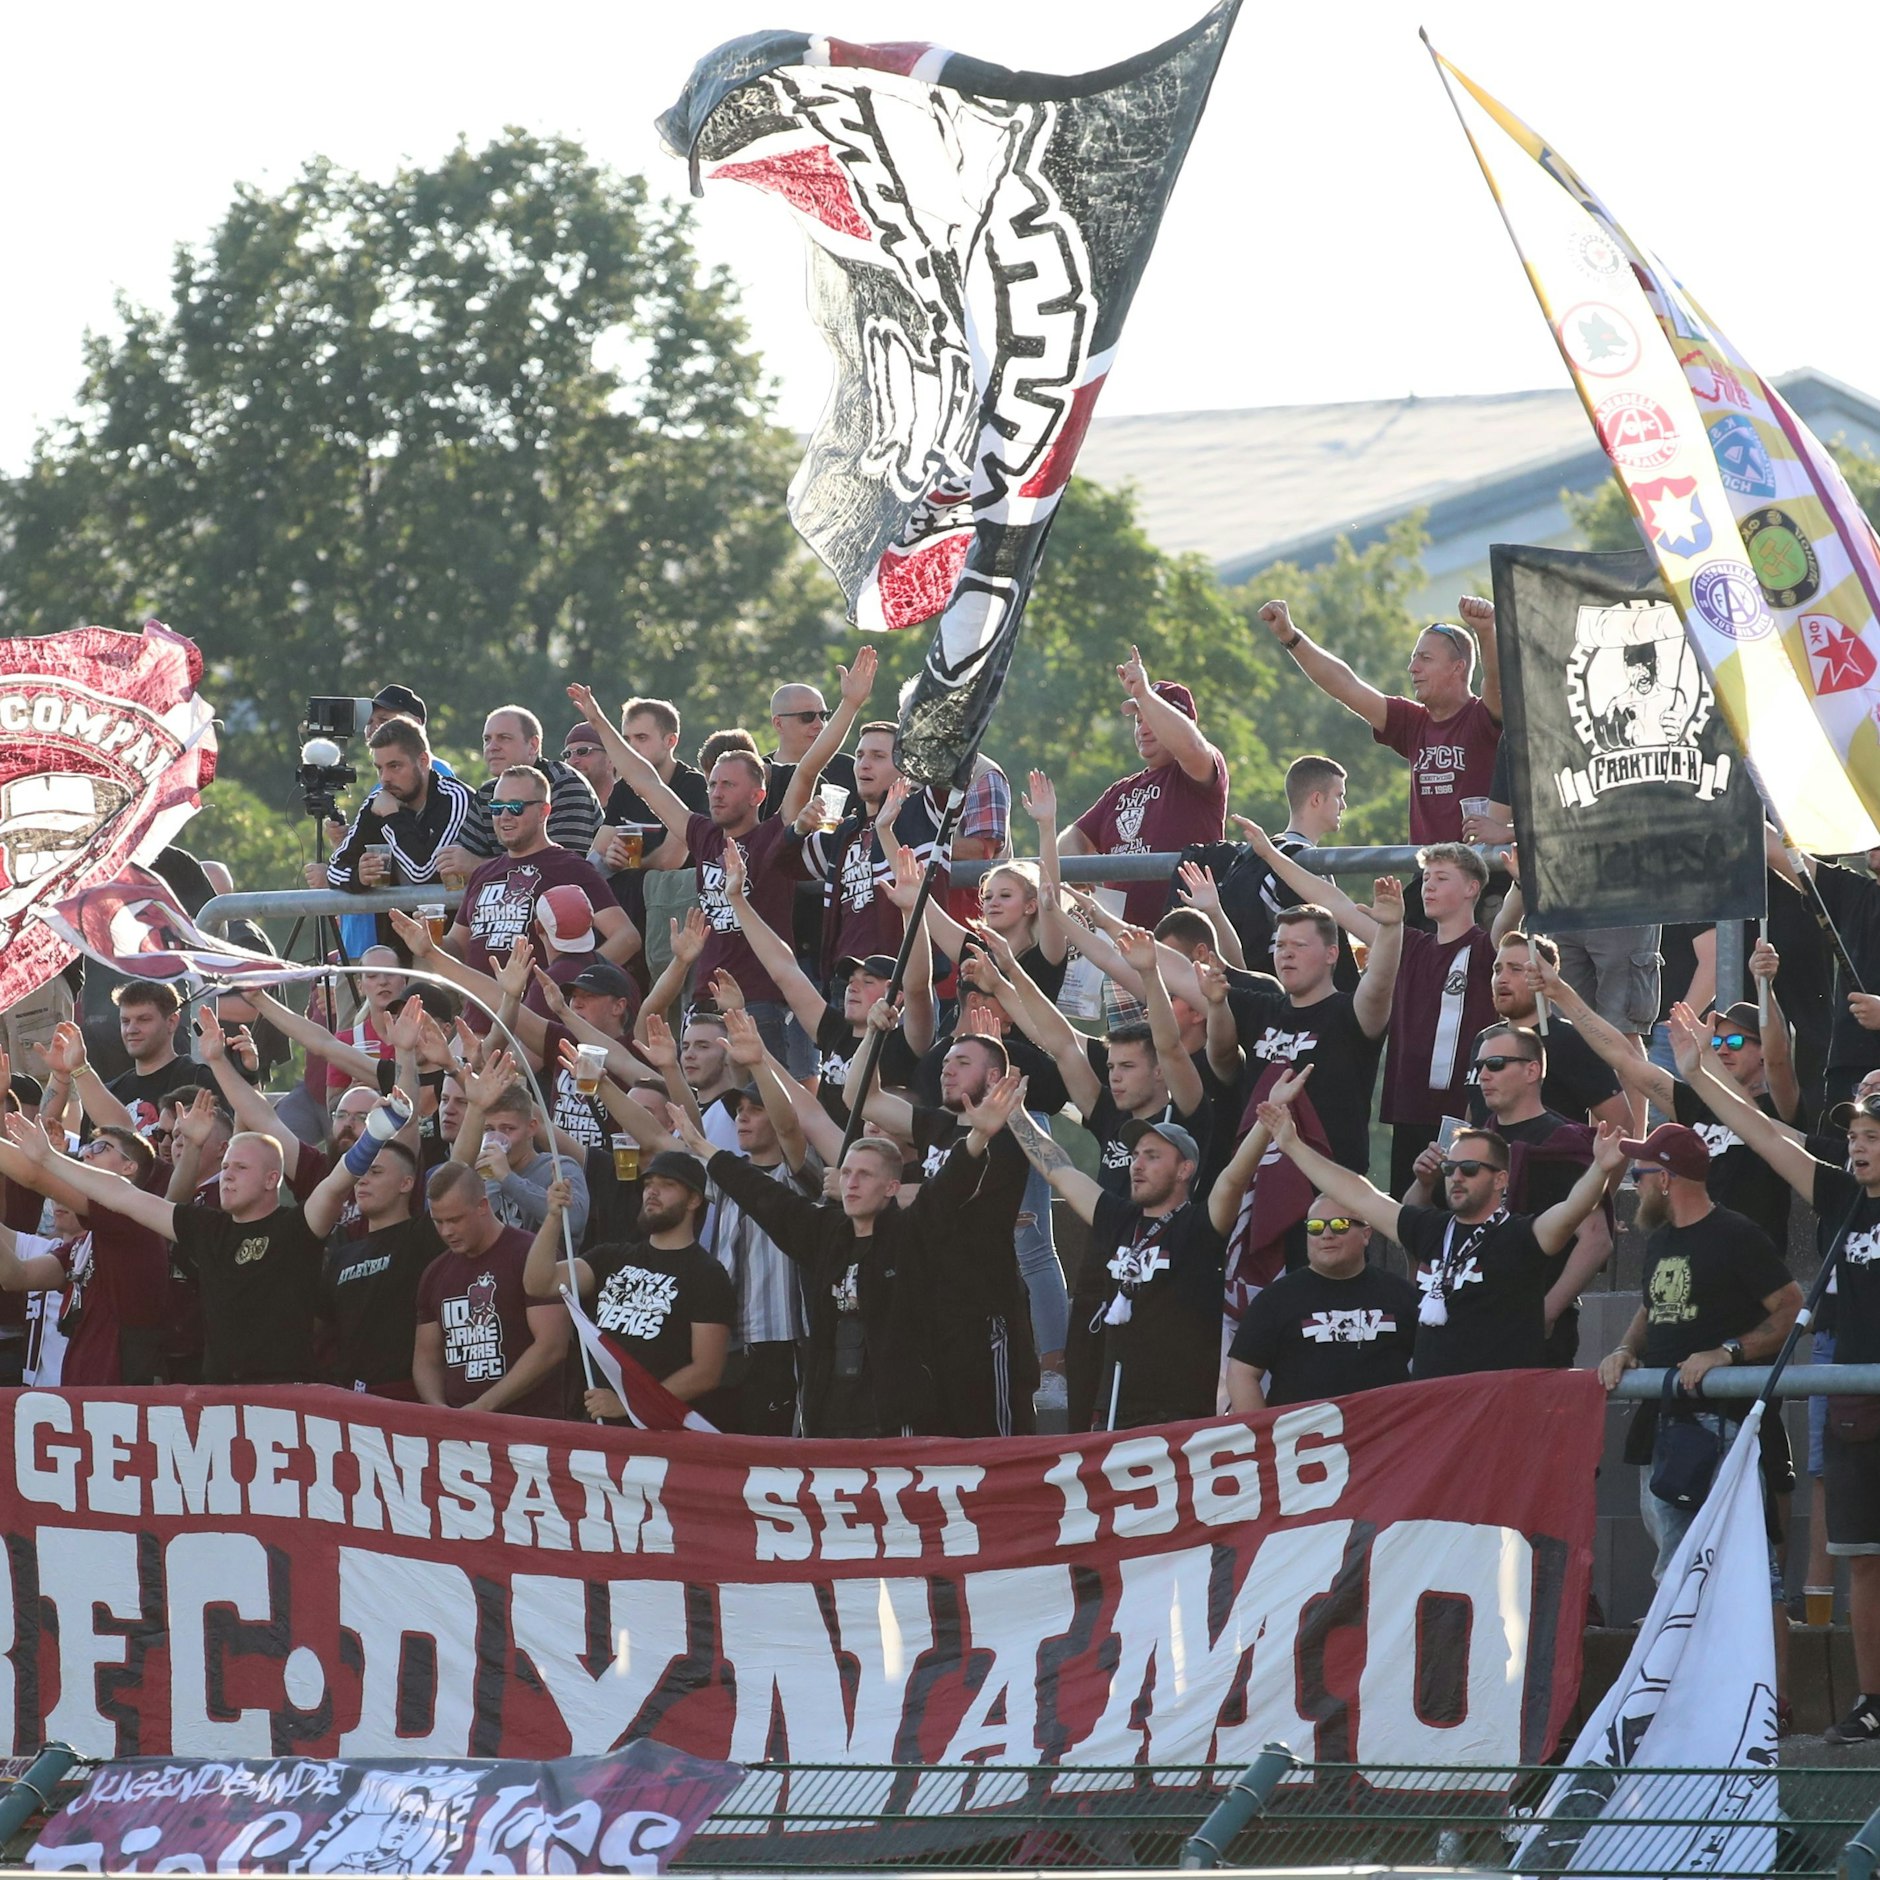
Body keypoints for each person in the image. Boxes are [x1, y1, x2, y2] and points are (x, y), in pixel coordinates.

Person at [677, 1070, 1033, 1438]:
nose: (851, 1183)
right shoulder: (826, 1233)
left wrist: (978, 1137)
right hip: (830, 1416)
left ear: (892, 1187)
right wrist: (704, 1148)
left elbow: (945, 1190)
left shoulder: (911, 1235)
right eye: (846, 1173)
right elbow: (765, 1197)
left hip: (893, 1417)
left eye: (864, 1175)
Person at [569, 651, 876, 1062]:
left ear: (757, 795)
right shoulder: (704, 836)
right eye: (712, 784)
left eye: (728, 785)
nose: (715, 793)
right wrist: (598, 721)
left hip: (761, 1004)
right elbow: (644, 781)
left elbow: (807, 769)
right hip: (703, 1002)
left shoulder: (773, 837)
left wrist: (850, 704)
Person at [1597, 1122, 1801, 1714]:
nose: (1635, 1185)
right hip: (1664, 1429)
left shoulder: (1736, 1235)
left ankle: (1771, 1706)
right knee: (1675, 1572)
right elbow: (1651, 1306)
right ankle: (1689, 1705)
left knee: (1751, 1570)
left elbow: (1791, 1308)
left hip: (1726, 1429)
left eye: (1640, 1174)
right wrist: (1625, 1348)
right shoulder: (1660, 1240)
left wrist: (1728, 1353)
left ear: (1667, 1178)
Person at [0, 1105, 380, 1386]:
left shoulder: (296, 1226)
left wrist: (377, 1133)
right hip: (218, 1396)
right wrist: (49, 1157)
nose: (227, 1175)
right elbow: (123, 1196)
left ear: (272, 1179)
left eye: (241, 1168)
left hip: (286, 1395)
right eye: (225, 1166)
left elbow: (336, 1184)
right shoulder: (206, 1227)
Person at [1257, 1103, 1624, 1378]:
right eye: (1449, 1168)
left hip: (1499, 1408)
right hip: (1438, 1412)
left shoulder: (1520, 1234)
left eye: (1469, 1169)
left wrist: (1600, 1170)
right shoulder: (1430, 1228)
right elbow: (1360, 1195)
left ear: (1501, 1179)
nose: (1456, 1177)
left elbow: (1572, 1211)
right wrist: (1292, 1144)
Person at [1527, 944, 1799, 1250]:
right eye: (1716, 1041)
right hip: (1689, 1256)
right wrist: (1559, 991)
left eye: (1735, 1042)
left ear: (1762, 1052)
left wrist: (1764, 985)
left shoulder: (1778, 1110)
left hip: (1748, 1259)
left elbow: (1778, 1060)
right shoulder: (1697, 1105)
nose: (1723, 1049)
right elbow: (1625, 1057)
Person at [1003, 1106, 1225, 1429]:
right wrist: (1015, 1114)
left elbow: (1233, 1182)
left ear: (1184, 1169)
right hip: (1113, 1412)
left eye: (1152, 1156)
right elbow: (1059, 1170)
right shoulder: (1118, 1218)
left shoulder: (1199, 1224)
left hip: (1178, 1418)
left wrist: (1268, 1126)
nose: (1137, 1165)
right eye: (1135, 1156)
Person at [1416, 1021, 1613, 1367]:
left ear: (1532, 1071)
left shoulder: (1561, 1142)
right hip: (1464, 1322)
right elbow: (1418, 1226)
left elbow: (1596, 1239)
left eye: (1495, 1065)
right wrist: (1424, 1181)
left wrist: (1546, 1313)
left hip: (1529, 1333)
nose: (1483, 1076)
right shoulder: (1472, 1144)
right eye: (1479, 1067)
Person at [1259, 595, 1501, 847]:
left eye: (1425, 658)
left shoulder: (1482, 717)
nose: (1412, 667)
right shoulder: (1412, 721)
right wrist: (1290, 636)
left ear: (1457, 668)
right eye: (1413, 657)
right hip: (1427, 869)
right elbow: (1345, 685)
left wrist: (1485, 631)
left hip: (1480, 868)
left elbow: (1496, 682)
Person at [1203, 882, 1404, 1176]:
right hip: (1259, 1187)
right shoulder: (1262, 1008)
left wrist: (1390, 928)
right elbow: (1220, 1053)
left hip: (1330, 1193)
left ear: (1331, 954)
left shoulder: (1349, 1013)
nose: (1286, 954)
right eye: (1280, 945)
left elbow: (1379, 985)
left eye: (1299, 945)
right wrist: (1216, 1003)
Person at [527, 1156, 734, 1423]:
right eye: (648, 1184)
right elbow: (539, 1283)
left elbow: (706, 1372)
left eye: (667, 1184)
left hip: (659, 1434)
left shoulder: (707, 1274)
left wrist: (631, 1403)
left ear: (694, 1200)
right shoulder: (610, 1257)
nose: (652, 1191)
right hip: (597, 1425)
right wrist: (554, 1217)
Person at [443, 765, 639, 1011]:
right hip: (479, 1020)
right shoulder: (483, 873)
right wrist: (428, 940)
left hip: (537, 1023)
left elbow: (626, 938)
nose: (504, 815)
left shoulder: (569, 867)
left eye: (516, 807)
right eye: (496, 807)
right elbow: (457, 945)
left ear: (543, 811)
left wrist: (572, 984)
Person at [1060, 649, 1229, 929]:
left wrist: (1145, 695)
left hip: (1183, 939)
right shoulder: (1120, 791)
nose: (1143, 729)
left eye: (1151, 719)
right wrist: (1079, 869)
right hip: (1121, 942)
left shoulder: (1197, 769)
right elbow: (1072, 839)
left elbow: (1191, 746)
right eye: (1138, 720)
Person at [1170, 755, 1357, 983]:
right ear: (1316, 799)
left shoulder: (1259, 854)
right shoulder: (1299, 861)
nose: (1344, 805)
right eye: (1339, 795)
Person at [1224, 1201, 1418, 1410]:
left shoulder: (1400, 1294)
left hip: (1387, 1427)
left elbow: (1434, 1362)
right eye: (1315, 1226)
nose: (1326, 1234)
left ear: (1366, 1234)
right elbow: (1242, 1372)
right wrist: (1262, 1429)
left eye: (1339, 1225)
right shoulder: (1275, 1299)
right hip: (1304, 1429)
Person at [414, 1160, 569, 1416]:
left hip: (527, 1424)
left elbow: (552, 1346)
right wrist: (438, 1409)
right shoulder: (435, 1273)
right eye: (438, 1221)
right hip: (459, 1427)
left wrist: (484, 1406)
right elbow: (426, 1358)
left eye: (455, 1219)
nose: (446, 1231)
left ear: (483, 1206)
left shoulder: (531, 1255)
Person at [321, 1134, 437, 1398]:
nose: (362, 1180)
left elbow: (458, 1166)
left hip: (404, 1397)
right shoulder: (342, 1255)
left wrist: (476, 1112)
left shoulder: (421, 1236)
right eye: (360, 1172)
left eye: (375, 1172)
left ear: (406, 1183)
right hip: (348, 1398)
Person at [1476, 931, 1627, 1129]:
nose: (1502, 979)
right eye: (1497, 970)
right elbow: (1475, 1112)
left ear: (1543, 977)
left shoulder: (1570, 1042)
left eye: (1515, 969)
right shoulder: (1484, 1040)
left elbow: (1621, 1124)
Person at [437, 705, 603, 874]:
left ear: (533, 745)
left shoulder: (564, 784)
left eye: (504, 738)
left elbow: (561, 869)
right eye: (487, 739)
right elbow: (460, 860)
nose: (492, 747)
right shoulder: (487, 794)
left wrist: (477, 866)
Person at [326, 715, 476, 900]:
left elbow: (422, 873)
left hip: (449, 918)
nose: (385, 778)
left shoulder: (455, 798)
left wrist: (393, 817)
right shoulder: (377, 802)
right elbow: (334, 870)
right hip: (395, 918)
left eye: (394, 766)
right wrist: (360, 876)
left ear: (423, 761)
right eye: (379, 768)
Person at [449, 1056, 590, 1242]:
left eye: (508, 1129)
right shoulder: (483, 1174)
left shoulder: (559, 1167)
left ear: (531, 1128)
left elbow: (575, 1221)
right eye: (489, 1129)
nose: (497, 1139)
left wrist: (508, 1178)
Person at [102, 981, 214, 1128]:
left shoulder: (198, 1079)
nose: (131, 1029)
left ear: (171, 1022)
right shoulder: (111, 1092)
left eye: (143, 1020)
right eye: (125, 1021)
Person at [762, 679, 859, 821]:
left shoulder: (848, 769)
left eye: (823, 716)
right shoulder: (760, 775)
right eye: (807, 717)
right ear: (779, 724)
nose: (819, 724)